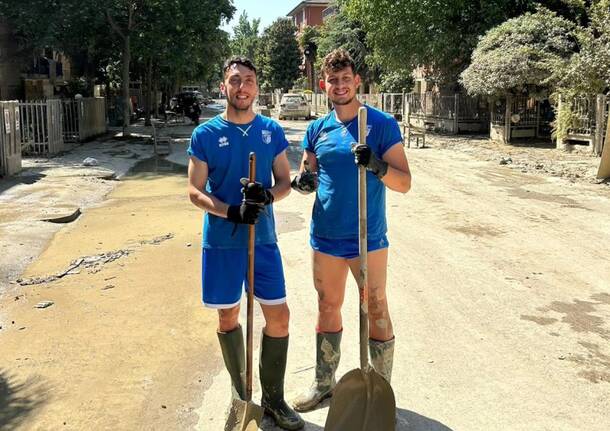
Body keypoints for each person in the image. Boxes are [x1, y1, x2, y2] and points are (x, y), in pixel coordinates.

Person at [187, 56, 304, 430]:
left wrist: (266, 197)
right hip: (221, 241)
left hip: (264, 240)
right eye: (235, 80)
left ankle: (273, 399)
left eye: (249, 80)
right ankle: (242, 398)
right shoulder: (204, 135)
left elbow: (285, 182)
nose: (242, 87)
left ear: (257, 86)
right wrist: (232, 212)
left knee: (279, 317)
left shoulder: (270, 130)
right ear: (224, 86)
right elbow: (194, 191)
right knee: (228, 316)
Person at [292, 49, 412, 412]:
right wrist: (303, 181)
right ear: (323, 84)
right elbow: (306, 173)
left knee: (375, 305)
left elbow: (404, 182)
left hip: (368, 237)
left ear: (357, 81)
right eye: (333, 80)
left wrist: (376, 165)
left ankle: (380, 391)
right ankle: (324, 384)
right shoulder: (317, 129)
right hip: (326, 236)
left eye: (346, 79)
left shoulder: (380, 124)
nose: (340, 85)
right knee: (327, 304)